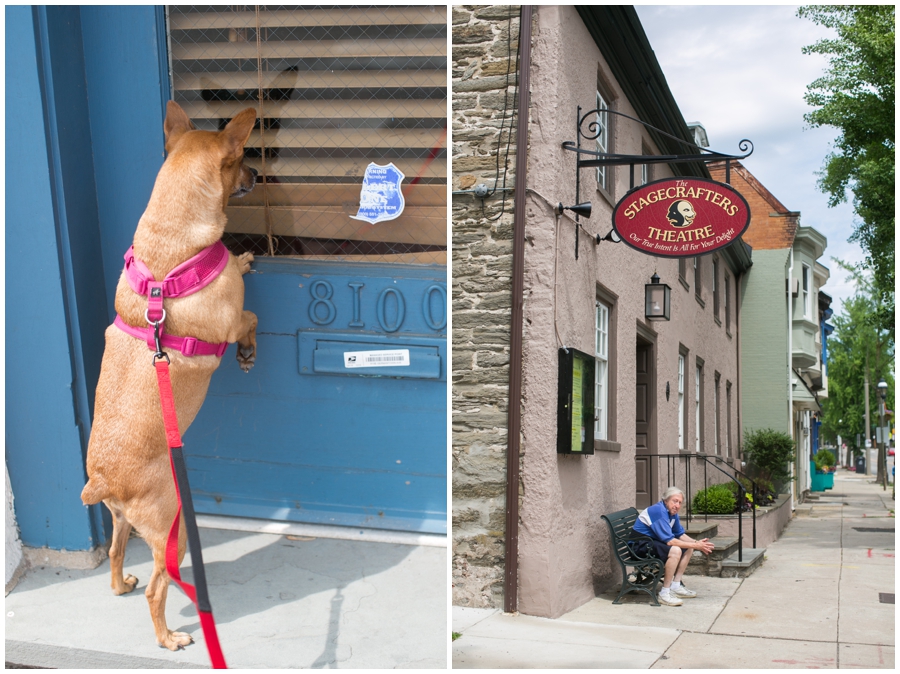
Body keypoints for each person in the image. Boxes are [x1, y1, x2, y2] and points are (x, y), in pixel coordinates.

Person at [629, 486, 715, 606]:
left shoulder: (672, 513)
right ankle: (664, 594)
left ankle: (675, 585)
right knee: (675, 550)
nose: (677, 505)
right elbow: (670, 541)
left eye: (680, 502)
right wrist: (696, 545)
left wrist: (696, 543)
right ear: (666, 500)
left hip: (651, 543)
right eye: (675, 501)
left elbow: (680, 534)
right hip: (638, 547)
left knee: (689, 547)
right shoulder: (659, 511)